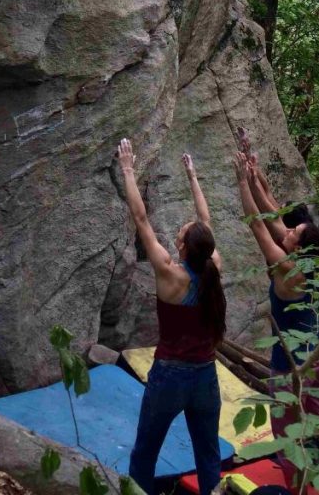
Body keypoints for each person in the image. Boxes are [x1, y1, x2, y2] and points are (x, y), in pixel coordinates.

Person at [232, 138, 319, 488]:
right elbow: (272, 214)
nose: (287, 229)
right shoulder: (308, 266)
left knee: (285, 435)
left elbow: (257, 224)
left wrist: (241, 181)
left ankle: (297, 486)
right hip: (315, 360)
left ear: (297, 246)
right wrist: (254, 174)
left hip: (290, 369)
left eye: (293, 232)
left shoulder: (287, 269)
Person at [117, 138, 226, 495]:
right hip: (205, 376)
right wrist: (192, 177)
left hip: (170, 376)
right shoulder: (213, 269)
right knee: (208, 456)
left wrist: (128, 169)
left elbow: (140, 218)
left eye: (180, 233)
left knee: (144, 455)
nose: (179, 232)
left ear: (180, 247)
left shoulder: (169, 274)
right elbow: (206, 221)